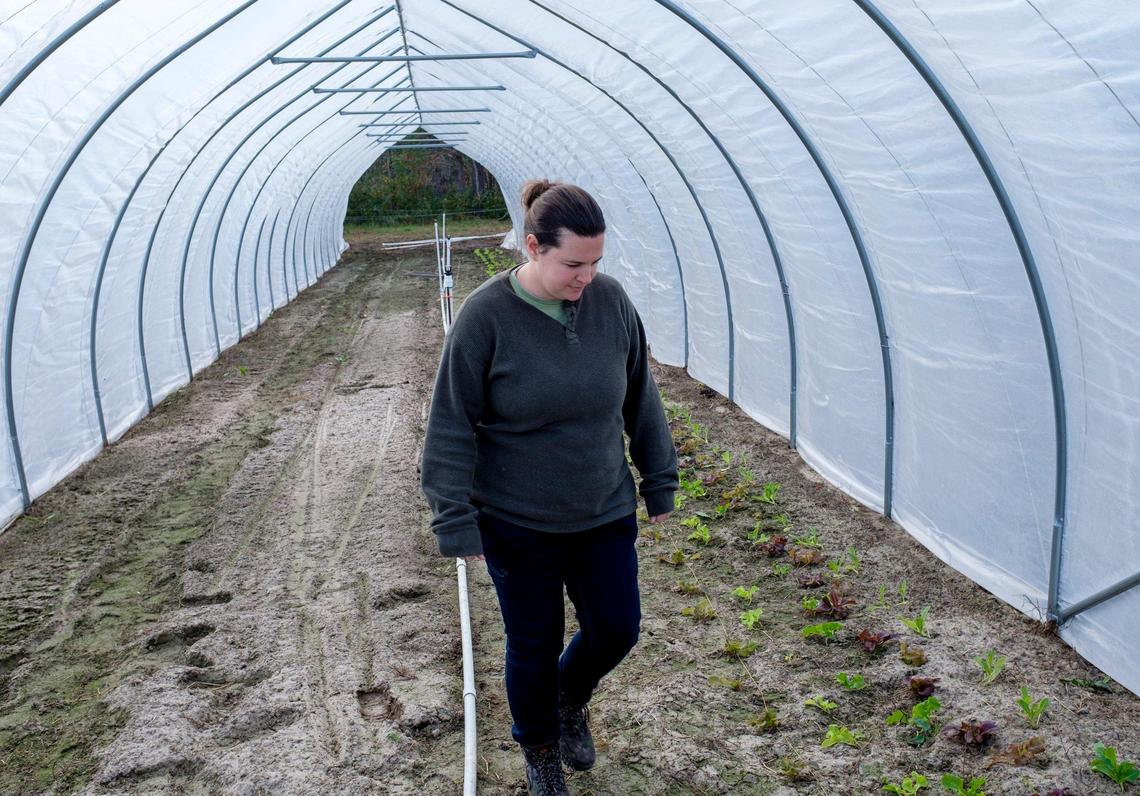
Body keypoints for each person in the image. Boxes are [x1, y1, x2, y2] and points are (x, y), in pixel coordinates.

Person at [420, 180, 678, 796]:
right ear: (533, 247)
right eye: (573, 264)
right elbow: (451, 423)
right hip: (517, 518)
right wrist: (454, 519)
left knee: (617, 627)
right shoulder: (486, 318)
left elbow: (641, 396)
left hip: (602, 506)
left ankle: (569, 699)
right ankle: (540, 753)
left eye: (595, 262)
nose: (586, 276)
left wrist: (658, 479)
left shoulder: (611, 303)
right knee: (532, 644)